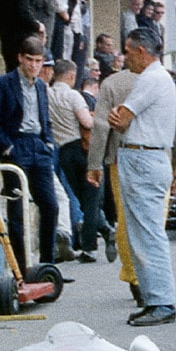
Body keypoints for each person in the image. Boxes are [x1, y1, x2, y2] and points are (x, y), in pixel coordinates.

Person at [88, 29, 176, 325]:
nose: (124, 57)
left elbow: (121, 118)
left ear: (142, 51)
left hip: (143, 157)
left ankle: (162, 301)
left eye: (128, 51)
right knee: (141, 233)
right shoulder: (159, 79)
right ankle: (154, 297)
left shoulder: (151, 79)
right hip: (144, 155)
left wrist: (121, 116)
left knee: (148, 233)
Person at [0, 38, 62, 271]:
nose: (34, 66)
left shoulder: (40, 86)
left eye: (38, 61)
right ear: (20, 58)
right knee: (17, 210)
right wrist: (8, 148)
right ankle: (20, 268)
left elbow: (44, 117)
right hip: (16, 144)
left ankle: (48, 265)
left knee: (50, 205)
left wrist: (48, 142)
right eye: (30, 60)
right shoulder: (2, 83)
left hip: (38, 146)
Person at [48, 58, 104, 262]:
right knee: (92, 196)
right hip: (81, 148)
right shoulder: (73, 96)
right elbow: (87, 122)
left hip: (62, 151)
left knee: (78, 196)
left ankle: (104, 228)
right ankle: (90, 246)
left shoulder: (46, 93)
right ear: (71, 75)